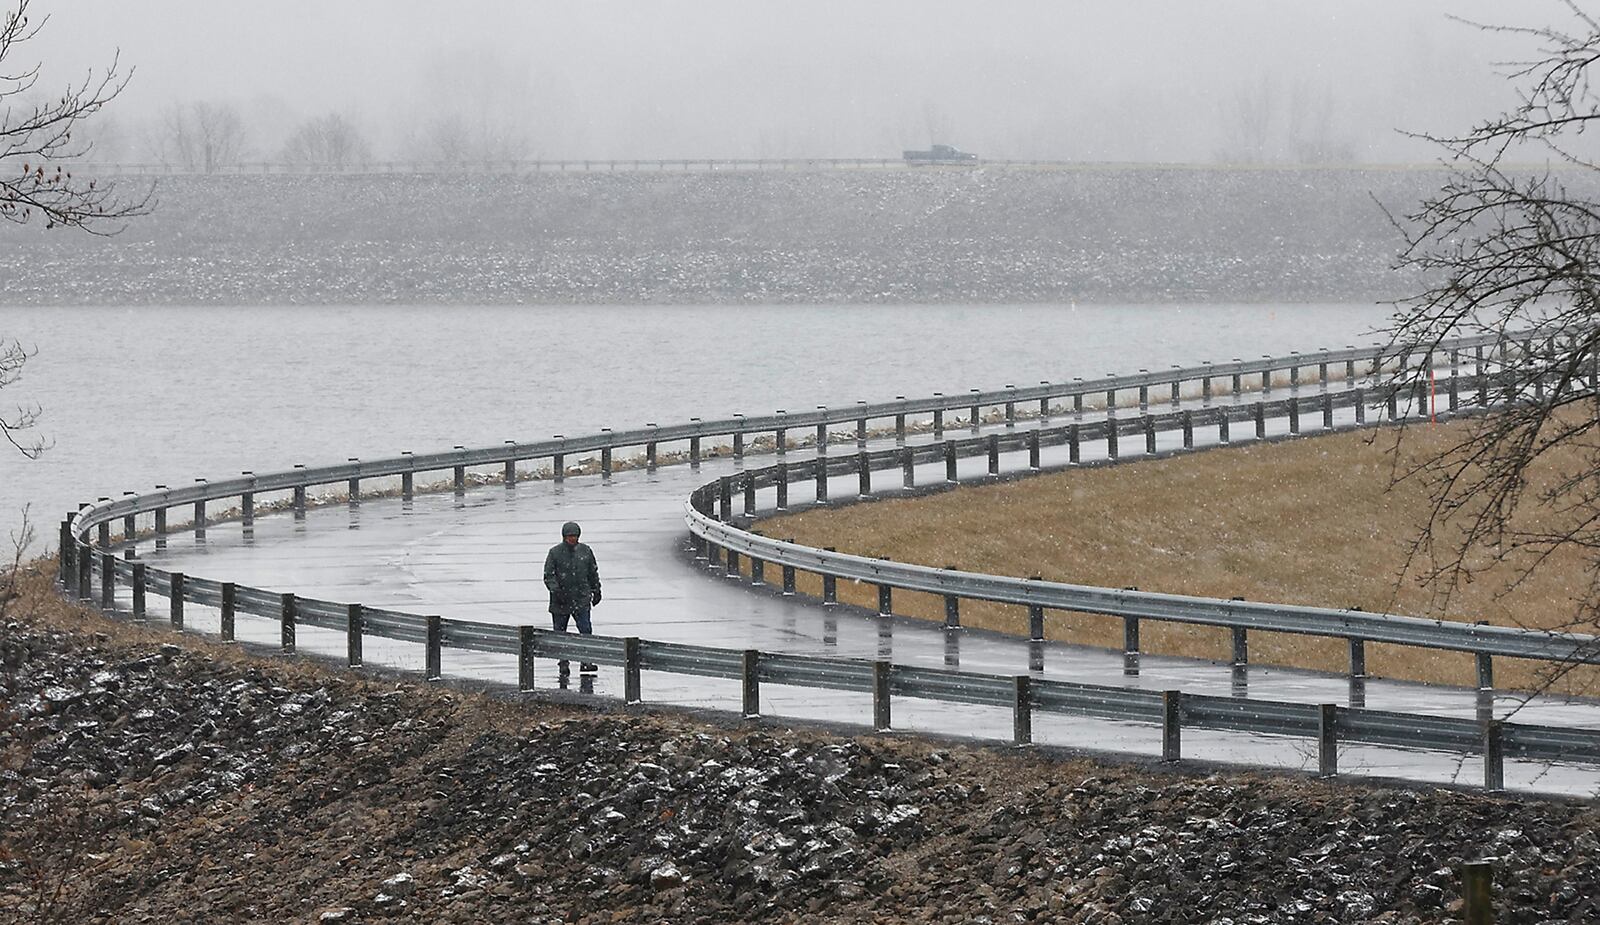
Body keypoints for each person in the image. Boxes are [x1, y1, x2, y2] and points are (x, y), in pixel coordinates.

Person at [544, 520, 601, 673]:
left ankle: (586, 660)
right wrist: (557, 591)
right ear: (564, 537)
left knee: (585, 630)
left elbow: (592, 572)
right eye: (570, 536)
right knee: (560, 633)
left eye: (575, 536)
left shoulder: (585, 551)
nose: (572, 539)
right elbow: (549, 576)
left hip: (581, 599)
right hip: (560, 601)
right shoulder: (554, 553)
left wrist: (596, 590)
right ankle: (563, 662)